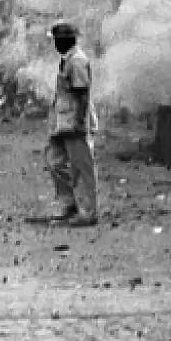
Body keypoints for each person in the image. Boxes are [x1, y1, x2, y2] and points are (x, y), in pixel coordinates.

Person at [45, 22, 98, 227]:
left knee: (81, 167)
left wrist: (79, 121)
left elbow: (82, 93)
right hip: (62, 121)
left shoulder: (77, 61)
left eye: (57, 40)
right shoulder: (67, 60)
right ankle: (69, 204)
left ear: (65, 40)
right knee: (55, 162)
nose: (55, 44)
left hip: (75, 121)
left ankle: (87, 212)